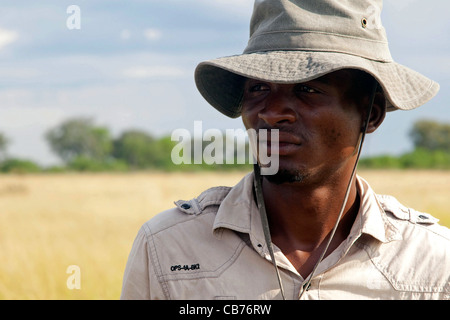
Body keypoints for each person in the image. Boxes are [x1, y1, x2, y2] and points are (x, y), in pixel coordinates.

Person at [120, 0, 449, 300]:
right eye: (258, 88)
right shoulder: (170, 248)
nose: (271, 112)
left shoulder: (431, 264)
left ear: (370, 114)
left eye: (308, 89)